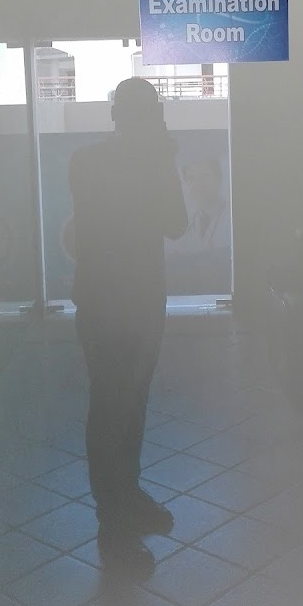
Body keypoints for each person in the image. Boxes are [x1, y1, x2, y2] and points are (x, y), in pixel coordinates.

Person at [68, 78, 187, 574]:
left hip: (127, 302)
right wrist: (160, 161)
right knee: (116, 408)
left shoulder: (87, 161)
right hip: (116, 303)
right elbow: (175, 223)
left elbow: (173, 223)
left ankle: (125, 500)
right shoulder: (111, 163)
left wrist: (158, 161)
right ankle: (113, 525)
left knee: (126, 405)